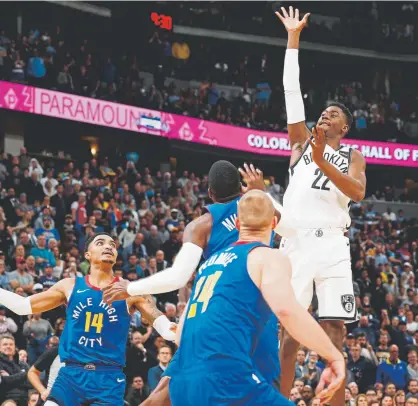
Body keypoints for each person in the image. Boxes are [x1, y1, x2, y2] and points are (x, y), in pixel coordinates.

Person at [103, 161, 286, 405]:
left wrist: (130, 287)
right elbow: (292, 228)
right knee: (265, 390)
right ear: (242, 188)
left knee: (163, 393)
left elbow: (179, 276)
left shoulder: (202, 225)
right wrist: (261, 194)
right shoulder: (262, 211)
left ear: (210, 193)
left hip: (211, 313)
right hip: (256, 312)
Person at [167, 191, 345, 405]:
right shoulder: (267, 256)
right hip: (226, 379)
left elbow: (180, 335)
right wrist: (333, 356)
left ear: (238, 224)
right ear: (274, 222)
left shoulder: (209, 263)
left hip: (181, 384)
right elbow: (287, 310)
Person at [275, 7, 367, 406]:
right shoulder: (300, 145)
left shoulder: (353, 156)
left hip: (332, 245)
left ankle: (333, 401)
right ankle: (277, 400)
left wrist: (325, 160)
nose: (325, 115)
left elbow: (358, 193)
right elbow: (290, 91)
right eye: (323, 113)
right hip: (295, 245)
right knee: (290, 334)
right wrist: (293, 38)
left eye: (334, 114)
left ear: (344, 128)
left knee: (334, 332)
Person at [0, 232, 176, 406]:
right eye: (100, 243)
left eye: (112, 245)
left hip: (108, 378)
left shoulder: (131, 290)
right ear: (87, 255)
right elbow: (22, 306)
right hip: (70, 376)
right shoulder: (70, 286)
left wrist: (172, 329)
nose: (108, 246)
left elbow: (161, 323)